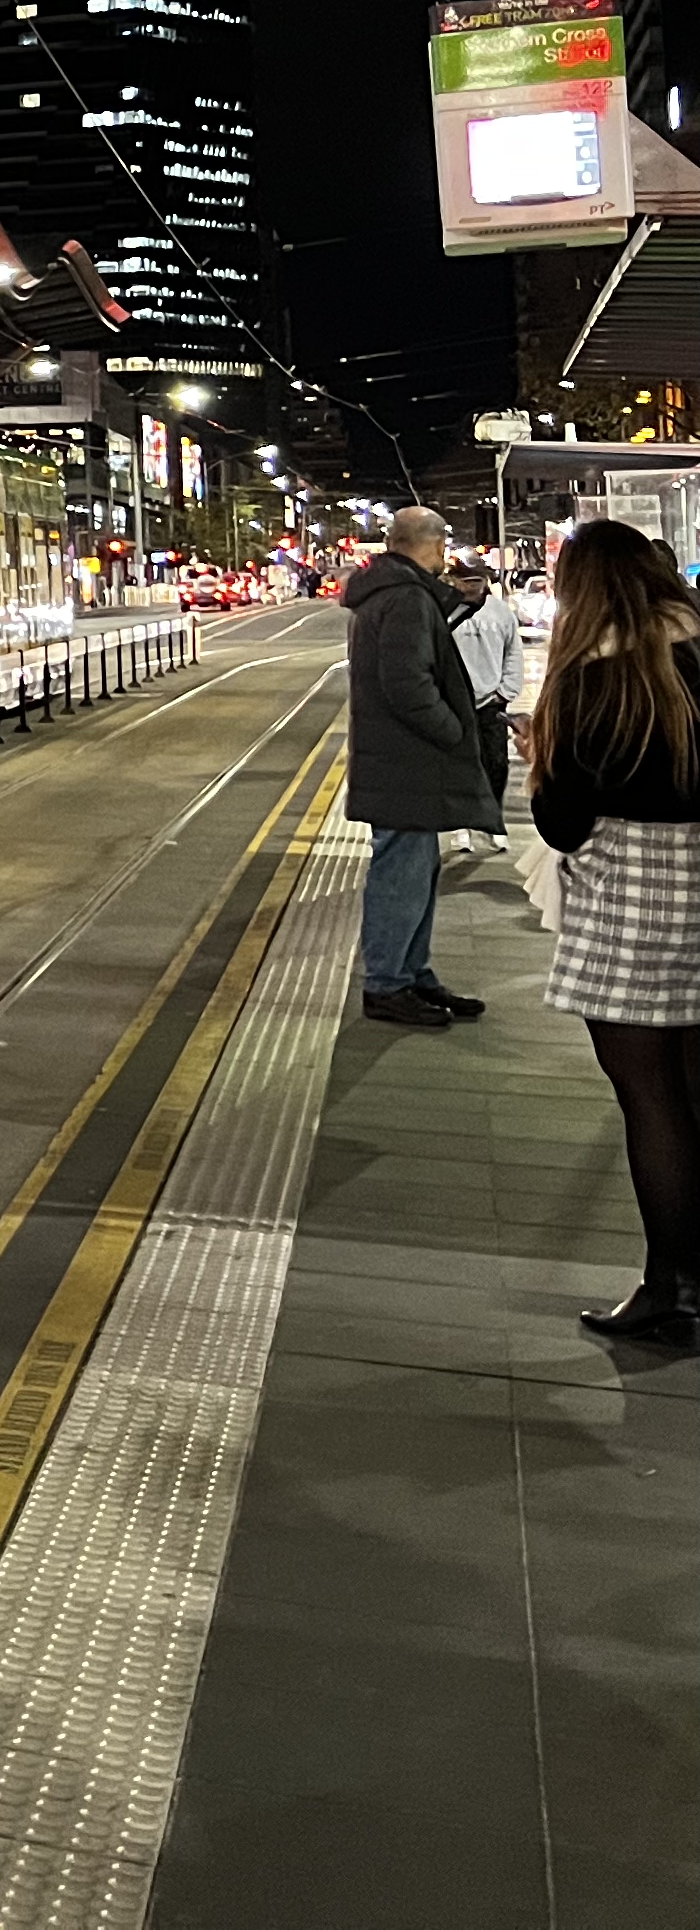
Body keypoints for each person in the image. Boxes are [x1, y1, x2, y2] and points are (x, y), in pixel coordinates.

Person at [525, 513, 700, 1349]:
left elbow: (560, 825)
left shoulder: (588, 681)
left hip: (633, 904)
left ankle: (674, 1290)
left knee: (651, 1099)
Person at [340, 505, 498, 1029]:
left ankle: (411, 972)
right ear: (429, 543)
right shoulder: (405, 597)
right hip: (405, 760)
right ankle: (388, 983)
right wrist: (454, 730)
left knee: (415, 869)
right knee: (401, 871)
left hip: (399, 759)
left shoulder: (394, 593)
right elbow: (408, 684)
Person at [452, 555, 525, 854]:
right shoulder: (445, 612)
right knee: (460, 764)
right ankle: (461, 825)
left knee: (496, 764)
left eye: (477, 580)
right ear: (455, 581)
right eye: (466, 581)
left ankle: (491, 821)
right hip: (455, 703)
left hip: (491, 703)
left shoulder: (501, 613)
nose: (472, 587)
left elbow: (513, 653)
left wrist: (505, 692)